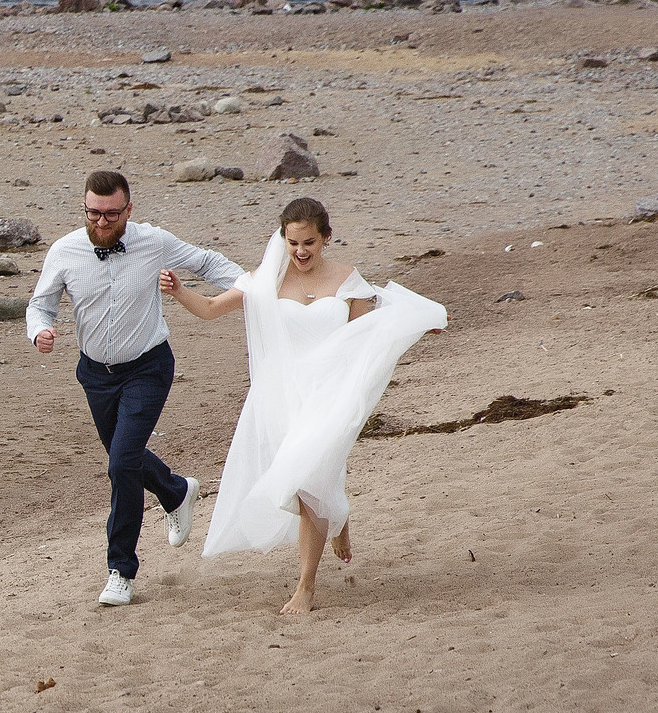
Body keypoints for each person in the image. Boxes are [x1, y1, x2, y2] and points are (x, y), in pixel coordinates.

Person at [162, 196, 448, 614]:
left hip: (332, 394)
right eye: (293, 242)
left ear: (326, 238)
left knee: (307, 481)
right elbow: (208, 311)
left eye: (309, 243)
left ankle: (306, 587)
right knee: (293, 483)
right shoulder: (265, 280)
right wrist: (180, 290)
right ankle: (338, 512)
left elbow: (368, 333)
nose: (300, 252)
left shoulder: (348, 280)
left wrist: (415, 324)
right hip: (281, 395)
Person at [27, 170, 244, 607]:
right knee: (124, 459)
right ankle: (176, 491)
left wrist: (252, 284)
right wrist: (40, 331)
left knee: (121, 463)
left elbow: (206, 261)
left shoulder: (154, 241)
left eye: (111, 214)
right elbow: (40, 302)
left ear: (129, 209)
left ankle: (120, 571)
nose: (102, 222)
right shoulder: (65, 250)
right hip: (95, 374)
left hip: (148, 367)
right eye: (94, 213)